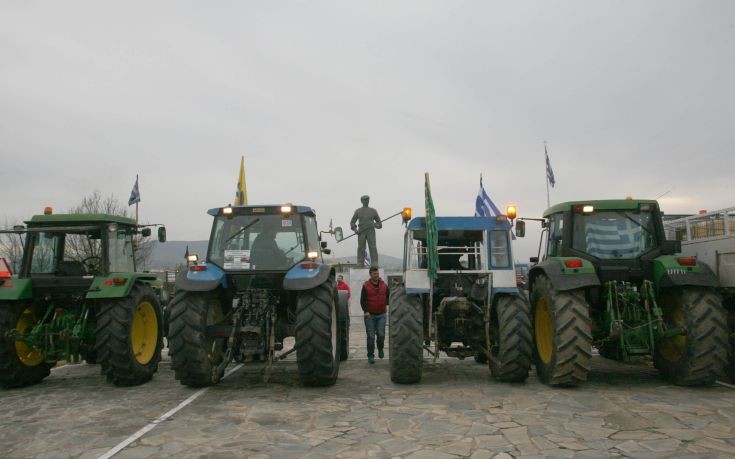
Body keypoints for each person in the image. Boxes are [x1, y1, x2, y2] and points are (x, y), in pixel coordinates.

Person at [360, 266, 389, 364]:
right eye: (374, 274)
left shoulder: (384, 285)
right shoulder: (366, 286)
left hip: (382, 315)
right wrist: (366, 311)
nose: (376, 275)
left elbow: (388, 297)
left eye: (377, 273)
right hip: (370, 316)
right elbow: (362, 300)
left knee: (381, 335)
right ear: (370, 274)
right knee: (371, 337)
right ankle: (371, 355)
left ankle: (380, 348)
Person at [350, 195, 381, 267]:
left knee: (372, 246)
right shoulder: (358, 211)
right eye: (365, 200)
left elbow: (380, 224)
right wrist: (355, 229)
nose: (367, 201)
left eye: (367, 200)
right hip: (361, 231)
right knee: (361, 247)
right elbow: (352, 222)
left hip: (371, 231)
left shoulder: (373, 211)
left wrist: (375, 225)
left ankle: (374, 262)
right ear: (362, 201)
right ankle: (360, 263)